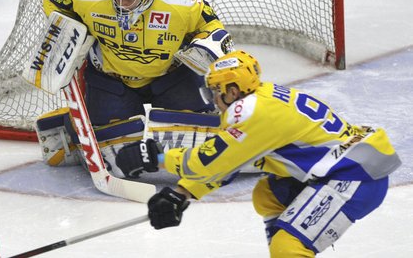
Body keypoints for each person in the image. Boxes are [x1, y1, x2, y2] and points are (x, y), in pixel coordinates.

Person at [116, 50, 402, 257]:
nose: (212, 100)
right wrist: (182, 193)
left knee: (288, 247)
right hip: (345, 168)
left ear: (231, 90)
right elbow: (230, 162)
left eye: (214, 91)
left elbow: (208, 161)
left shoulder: (253, 113)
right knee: (268, 193)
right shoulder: (261, 99)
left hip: (355, 178)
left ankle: (292, 245)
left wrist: (159, 158)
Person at [35, 0, 234, 169]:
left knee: (195, 135)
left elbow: (211, 23)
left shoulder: (179, 3)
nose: (121, 4)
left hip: (170, 77)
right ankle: (73, 123)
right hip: (111, 79)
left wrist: (204, 44)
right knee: (112, 153)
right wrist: (71, 30)